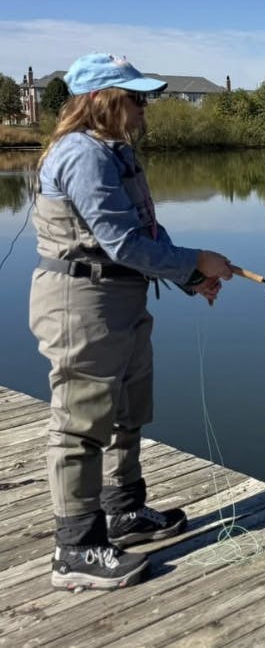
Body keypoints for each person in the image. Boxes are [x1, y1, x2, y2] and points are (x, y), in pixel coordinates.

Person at [29, 53, 234, 590]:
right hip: (82, 303)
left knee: (126, 409)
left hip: (121, 299)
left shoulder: (117, 154)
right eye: (137, 98)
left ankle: (123, 512)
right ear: (103, 101)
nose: (145, 109)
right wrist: (199, 259)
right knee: (81, 422)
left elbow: (146, 232)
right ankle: (74, 549)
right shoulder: (83, 155)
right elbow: (121, 244)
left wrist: (191, 278)